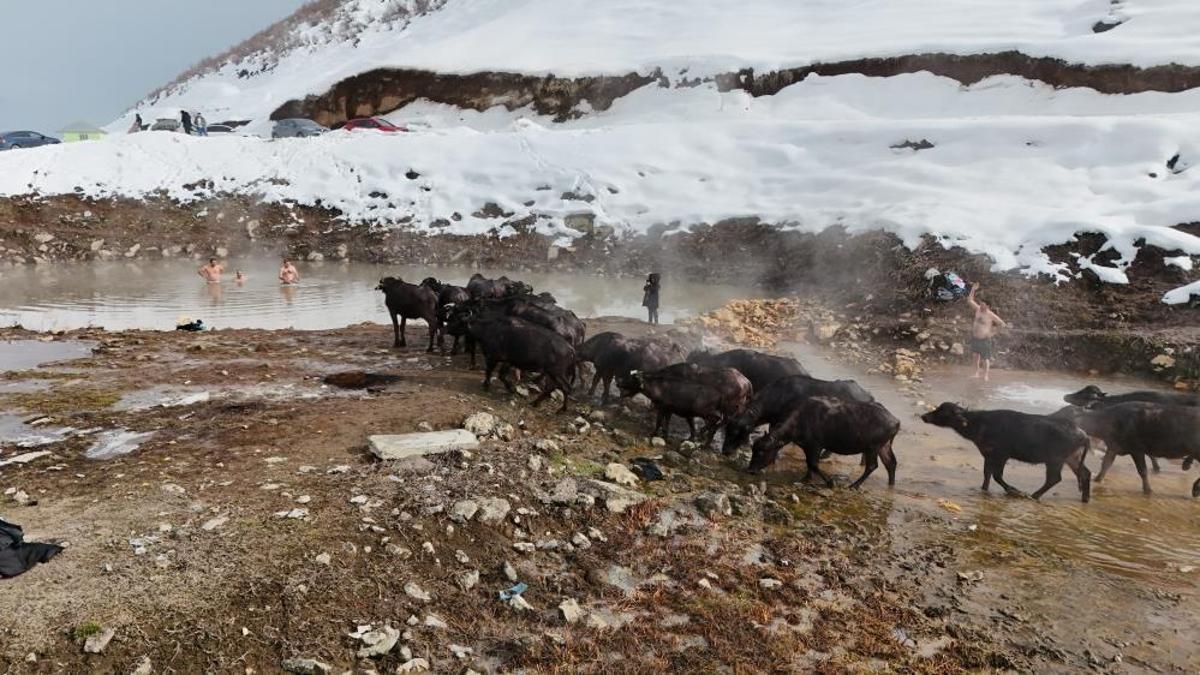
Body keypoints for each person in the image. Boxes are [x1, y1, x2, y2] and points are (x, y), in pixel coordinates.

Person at [966, 283, 1007, 381]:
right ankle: (976, 373)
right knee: (975, 356)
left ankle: (985, 375)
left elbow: (1002, 324)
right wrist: (973, 289)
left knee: (986, 358)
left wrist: (993, 333)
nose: (981, 305)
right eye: (981, 304)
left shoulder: (990, 315)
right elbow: (970, 300)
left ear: (988, 306)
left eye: (983, 304)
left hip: (985, 339)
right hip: (975, 338)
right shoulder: (978, 310)